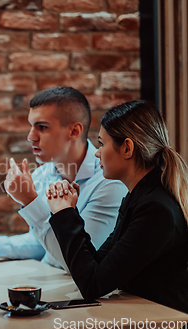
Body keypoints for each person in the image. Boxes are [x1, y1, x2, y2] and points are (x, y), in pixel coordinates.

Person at [47, 100, 188, 313]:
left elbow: (92, 285)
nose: (97, 153)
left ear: (127, 148)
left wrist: (65, 214)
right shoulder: (139, 198)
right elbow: (96, 267)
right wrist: (69, 212)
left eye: (102, 144)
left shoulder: (156, 210)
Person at [0, 86, 128, 271]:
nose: (30, 136)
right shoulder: (42, 175)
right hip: (52, 284)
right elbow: (42, 243)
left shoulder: (109, 181)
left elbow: (78, 262)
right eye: (31, 126)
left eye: (42, 127)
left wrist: (30, 201)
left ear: (74, 131)